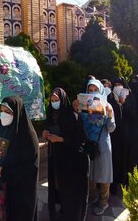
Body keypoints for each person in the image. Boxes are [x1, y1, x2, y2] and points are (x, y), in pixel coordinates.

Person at [0, 96, 39, 221]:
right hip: (0, 188)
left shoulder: (28, 136)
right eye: (2, 111)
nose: (4, 115)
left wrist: (4, 173)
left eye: (8, 112)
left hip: (18, 194)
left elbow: (30, 169)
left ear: (17, 113)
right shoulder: (2, 129)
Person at [43, 88, 89, 221]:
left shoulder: (72, 116)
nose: (54, 102)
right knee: (57, 187)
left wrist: (61, 139)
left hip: (71, 160)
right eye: (52, 100)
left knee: (69, 191)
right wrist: (45, 134)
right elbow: (47, 127)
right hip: (55, 157)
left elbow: (80, 140)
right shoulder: (51, 113)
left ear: (62, 100)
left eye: (57, 100)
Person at [81, 79, 115, 216]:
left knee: (104, 173)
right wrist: (78, 111)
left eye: (96, 90)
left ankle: (103, 201)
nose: (93, 92)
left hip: (102, 143)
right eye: (90, 90)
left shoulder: (107, 106)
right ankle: (93, 196)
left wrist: (110, 115)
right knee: (90, 172)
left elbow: (111, 129)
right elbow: (80, 126)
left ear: (100, 90)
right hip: (89, 143)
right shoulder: (84, 106)